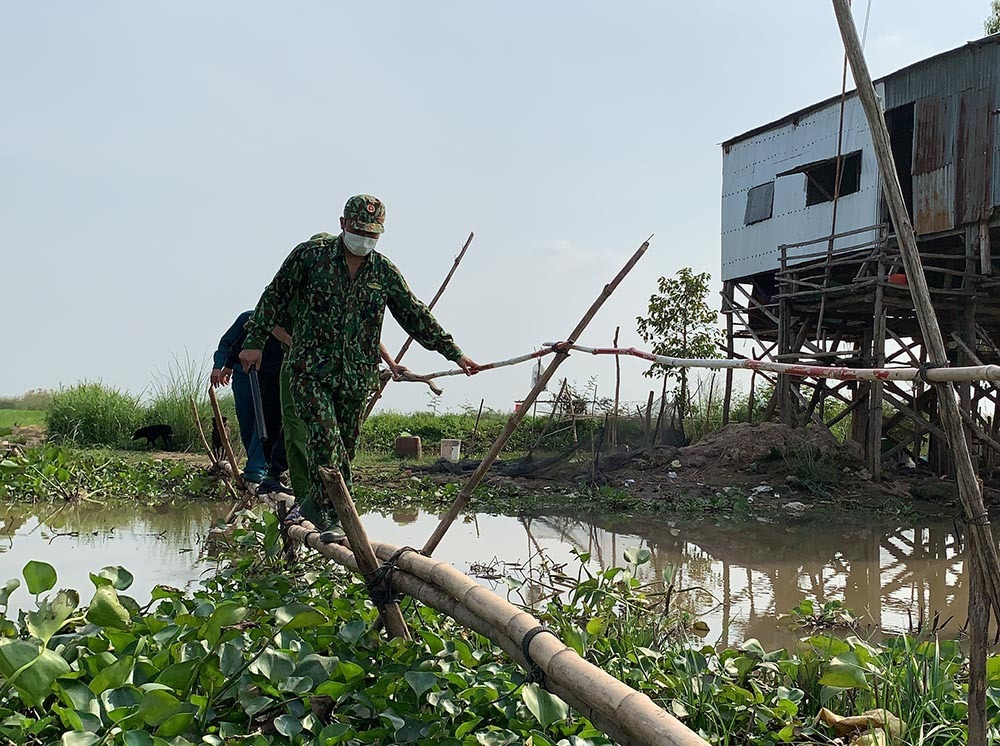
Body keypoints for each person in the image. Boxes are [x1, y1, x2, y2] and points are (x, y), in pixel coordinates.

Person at [240, 194, 477, 542]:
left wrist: (453, 353)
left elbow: (414, 314)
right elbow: (273, 296)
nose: (364, 238)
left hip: (355, 377)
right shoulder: (310, 258)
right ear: (342, 224)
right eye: (359, 230)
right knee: (325, 440)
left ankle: (319, 506)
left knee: (345, 450)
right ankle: (332, 517)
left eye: (373, 234)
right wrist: (254, 342)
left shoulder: (383, 272)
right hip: (311, 371)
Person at [211, 311, 286, 486]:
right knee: (247, 421)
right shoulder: (249, 318)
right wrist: (221, 366)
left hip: (273, 377)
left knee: (264, 421)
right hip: (244, 374)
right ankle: (257, 464)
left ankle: (257, 468)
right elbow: (229, 344)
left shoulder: (289, 324)